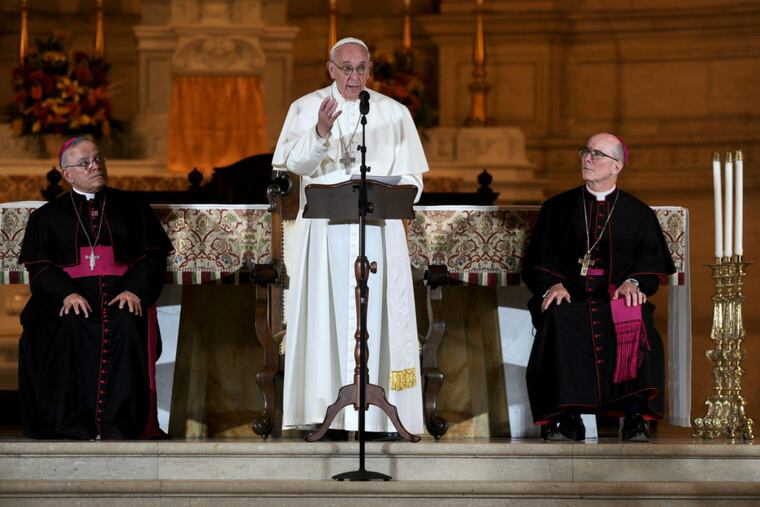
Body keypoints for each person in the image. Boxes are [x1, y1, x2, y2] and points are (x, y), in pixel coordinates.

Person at [273, 37, 428, 438]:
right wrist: (321, 131)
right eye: (346, 68)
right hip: (324, 234)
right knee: (326, 315)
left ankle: (379, 415)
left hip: (378, 232)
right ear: (331, 69)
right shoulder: (305, 108)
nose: (354, 76)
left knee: (378, 317)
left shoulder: (394, 114)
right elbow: (293, 166)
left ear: (370, 69)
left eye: (361, 68)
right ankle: (326, 408)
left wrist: (386, 188)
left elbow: (412, 180)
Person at [522, 132, 676, 442]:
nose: (587, 158)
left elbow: (651, 264)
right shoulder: (557, 208)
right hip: (572, 296)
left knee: (635, 313)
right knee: (558, 316)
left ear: (617, 165)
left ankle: (635, 416)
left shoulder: (637, 213)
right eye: (585, 152)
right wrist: (552, 284)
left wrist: (634, 282)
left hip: (615, 296)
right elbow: (537, 260)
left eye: (597, 154)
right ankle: (567, 417)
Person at [18, 136, 174, 439]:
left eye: (98, 159)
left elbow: (153, 258)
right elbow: (39, 268)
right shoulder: (46, 217)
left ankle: (122, 424)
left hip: (122, 292)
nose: (95, 166)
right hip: (69, 296)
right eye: (85, 163)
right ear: (68, 174)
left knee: (129, 323)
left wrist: (134, 290)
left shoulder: (133, 207)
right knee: (70, 324)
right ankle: (73, 423)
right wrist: (66, 294)